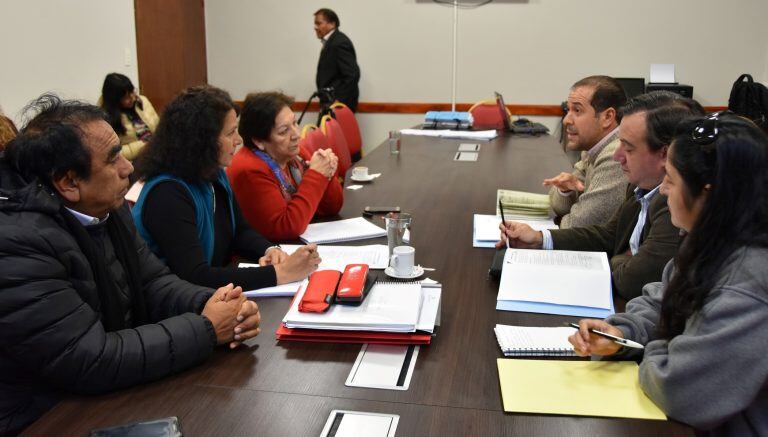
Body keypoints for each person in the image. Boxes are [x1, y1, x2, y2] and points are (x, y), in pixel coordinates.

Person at [0, 94, 260, 435]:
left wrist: (212, 304)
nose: (128, 167)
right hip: (41, 418)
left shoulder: (108, 207)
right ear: (68, 182)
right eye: (112, 159)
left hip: (98, 396)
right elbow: (90, 358)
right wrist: (207, 328)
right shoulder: (17, 244)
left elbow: (153, 282)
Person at [568, 113, 768, 436]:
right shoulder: (710, 239)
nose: (662, 190)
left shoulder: (750, 283)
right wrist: (620, 333)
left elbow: (679, 389)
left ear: (708, 194)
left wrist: (651, 346)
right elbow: (663, 296)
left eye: (671, 180)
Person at [499, 91, 705, 300]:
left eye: (629, 148)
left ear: (664, 154)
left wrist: (618, 258)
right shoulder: (640, 185)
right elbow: (609, 236)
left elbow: (632, 281)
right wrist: (539, 238)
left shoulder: (676, 204)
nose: (617, 156)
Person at [133, 86, 320, 291]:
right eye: (231, 133)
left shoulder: (212, 171)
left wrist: (269, 249)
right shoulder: (167, 194)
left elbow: (239, 231)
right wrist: (281, 273)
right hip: (175, 308)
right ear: (202, 141)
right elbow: (194, 276)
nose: (239, 140)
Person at [228, 91, 343, 241]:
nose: (296, 134)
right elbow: (286, 228)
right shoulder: (249, 169)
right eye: (283, 131)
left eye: (295, 123)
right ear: (259, 141)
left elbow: (332, 207)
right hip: (261, 255)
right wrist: (316, 175)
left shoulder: (295, 152)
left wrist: (327, 172)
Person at [544, 75, 628, 228]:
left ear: (607, 117)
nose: (566, 120)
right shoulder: (592, 149)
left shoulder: (615, 154)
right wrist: (565, 191)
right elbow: (558, 206)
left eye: (577, 110)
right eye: (567, 110)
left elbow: (578, 225)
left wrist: (566, 217)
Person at [99, 72, 159, 161]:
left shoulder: (143, 101)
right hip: (133, 162)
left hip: (155, 152)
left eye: (132, 92)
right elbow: (110, 153)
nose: (132, 98)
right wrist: (141, 146)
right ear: (114, 99)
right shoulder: (105, 117)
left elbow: (158, 127)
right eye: (126, 97)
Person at [314, 8, 360, 112]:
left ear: (332, 24)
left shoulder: (339, 42)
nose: (315, 27)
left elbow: (352, 75)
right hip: (330, 102)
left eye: (319, 23)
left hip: (338, 105)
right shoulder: (332, 41)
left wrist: (339, 101)